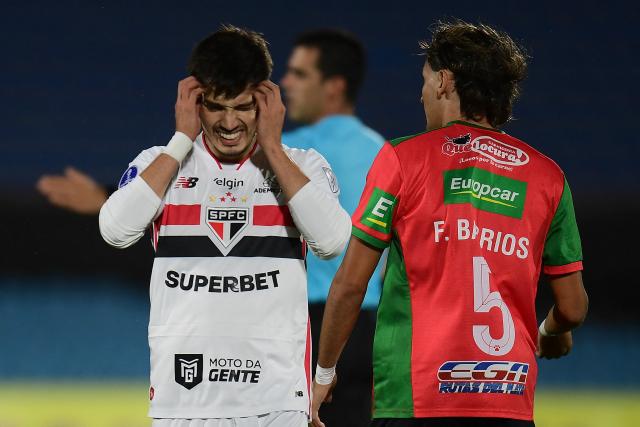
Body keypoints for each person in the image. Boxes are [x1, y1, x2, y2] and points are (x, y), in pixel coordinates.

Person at [311, 21, 588, 427]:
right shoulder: (548, 177)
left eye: (424, 81)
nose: (420, 94)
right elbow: (573, 307)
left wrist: (324, 374)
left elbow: (351, 284)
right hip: (507, 399)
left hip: (416, 397)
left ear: (443, 81)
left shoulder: (403, 158)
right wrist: (550, 331)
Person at [99, 25, 351, 426]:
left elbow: (333, 241)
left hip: (276, 400)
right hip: (182, 400)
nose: (229, 123)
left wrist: (272, 147)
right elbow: (115, 230)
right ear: (194, 102)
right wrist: (181, 140)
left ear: (266, 104)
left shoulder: (302, 166)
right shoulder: (159, 164)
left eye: (243, 106)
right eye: (216, 106)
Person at [280, 29, 385, 427]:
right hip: (364, 325)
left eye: (299, 74)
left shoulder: (287, 155)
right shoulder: (384, 153)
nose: (286, 83)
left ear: (334, 87)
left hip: (303, 325)